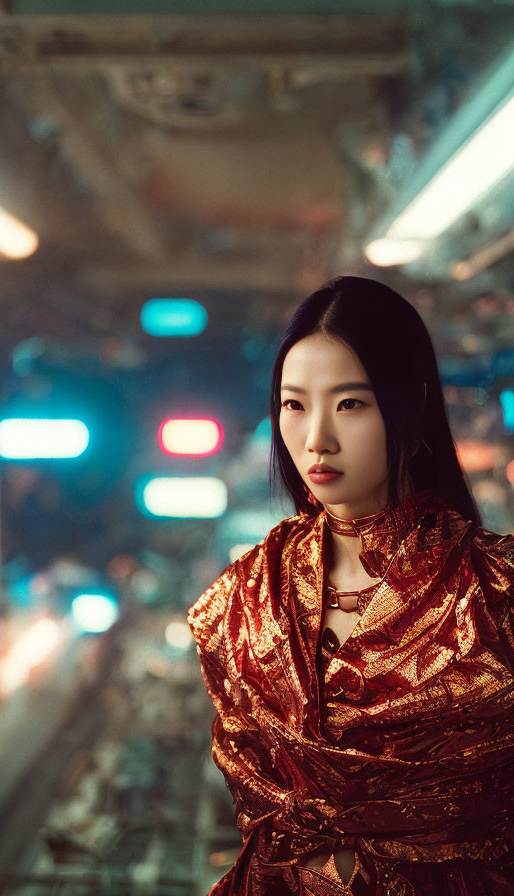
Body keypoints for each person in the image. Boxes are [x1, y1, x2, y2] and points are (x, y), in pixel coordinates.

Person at [188, 276, 514, 895]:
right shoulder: (243, 597)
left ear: (411, 406)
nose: (316, 439)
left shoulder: (495, 593)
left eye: (349, 404)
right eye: (294, 404)